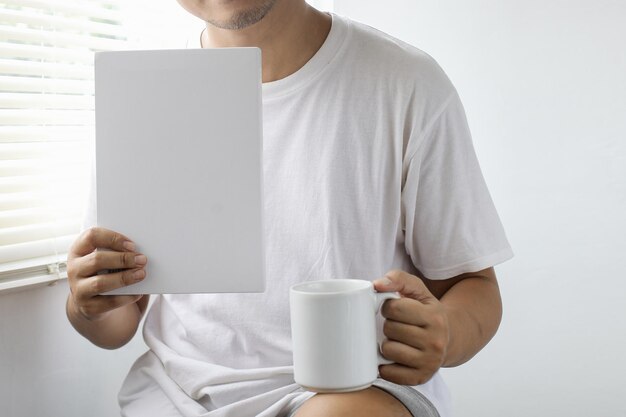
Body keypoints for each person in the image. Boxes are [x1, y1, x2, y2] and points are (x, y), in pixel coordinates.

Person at [66, 1, 513, 416]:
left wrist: (445, 333)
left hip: (352, 390)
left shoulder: (404, 83)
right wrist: (85, 304)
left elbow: (473, 286)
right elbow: (115, 322)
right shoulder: (142, 98)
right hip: (175, 394)